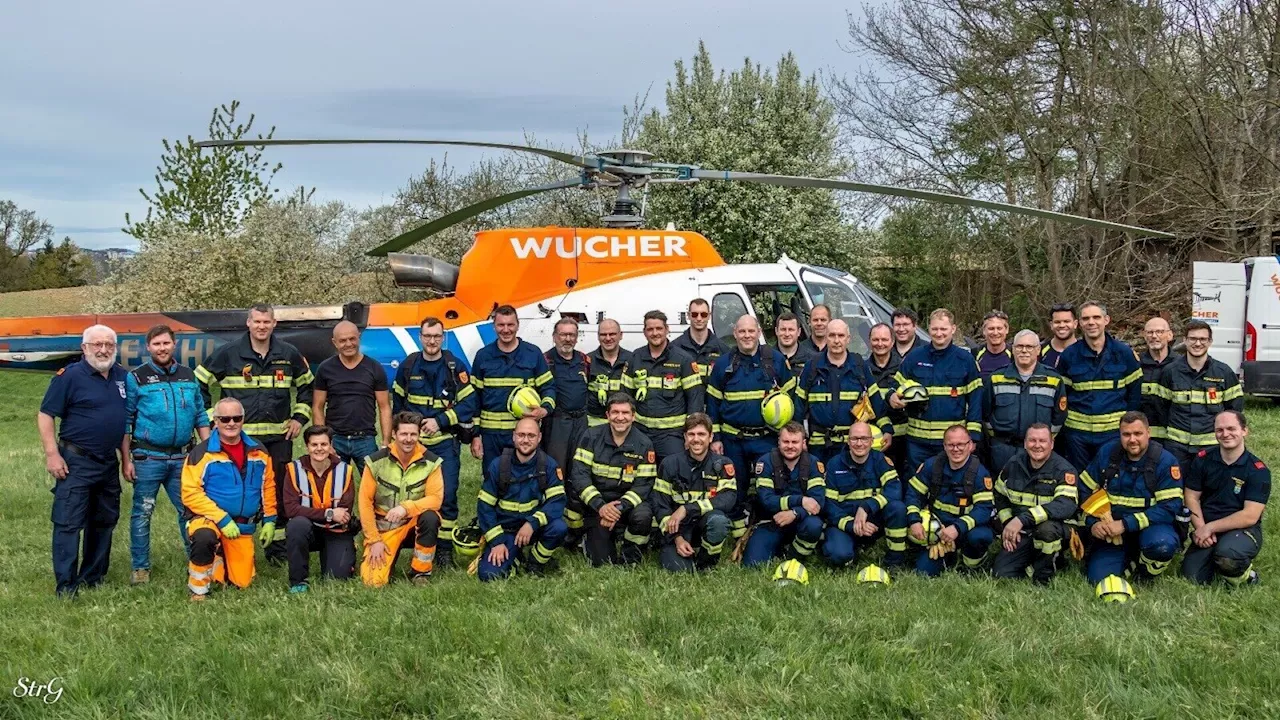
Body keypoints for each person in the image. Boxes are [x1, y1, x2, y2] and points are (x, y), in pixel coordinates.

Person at [195, 303, 314, 563]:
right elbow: (199, 383)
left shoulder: (288, 353)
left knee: (280, 492)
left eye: (266, 322)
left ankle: (277, 549)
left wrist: (299, 417)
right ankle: (229, 544)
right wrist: (211, 419)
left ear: (274, 324)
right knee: (238, 492)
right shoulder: (228, 354)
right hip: (240, 441)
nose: (262, 326)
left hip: (278, 439)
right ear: (248, 323)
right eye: (257, 321)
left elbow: (307, 386)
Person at [37, 324, 128, 597]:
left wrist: (126, 459)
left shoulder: (122, 376)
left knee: (104, 520)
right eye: (97, 344)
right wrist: (52, 454)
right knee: (68, 522)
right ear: (84, 348)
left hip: (108, 462)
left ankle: (93, 577)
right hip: (76, 461)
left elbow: (125, 423)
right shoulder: (69, 376)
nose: (103, 350)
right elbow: (45, 415)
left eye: (109, 345)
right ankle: (66, 584)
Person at [122, 324, 210, 585]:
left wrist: (208, 451)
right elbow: (126, 420)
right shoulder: (136, 377)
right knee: (142, 513)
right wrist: (125, 459)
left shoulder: (188, 375)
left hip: (183, 459)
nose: (162, 348)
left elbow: (199, 413)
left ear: (175, 345)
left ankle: (196, 560)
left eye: (166, 343)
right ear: (148, 347)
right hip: (147, 458)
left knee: (189, 511)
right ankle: (140, 568)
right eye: (156, 344)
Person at [391, 316, 477, 570]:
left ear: (443, 337)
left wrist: (440, 421)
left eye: (437, 336)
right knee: (414, 497)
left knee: (447, 497)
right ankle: (415, 546)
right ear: (420, 337)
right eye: (427, 336)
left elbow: (469, 403)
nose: (432, 341)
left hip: (444, 445)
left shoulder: (454, 366)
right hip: (412, 447)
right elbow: (398, 406)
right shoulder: (408, 366)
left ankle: (445, 552)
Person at [707, 314, 795, 540]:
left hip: (765, 439)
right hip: (732, 439)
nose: (747, 336)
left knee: (770, 485)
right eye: (742, 331)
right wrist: (715, 437)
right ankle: (737, 534)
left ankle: (769, 532)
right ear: (735, 334)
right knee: (736, 486)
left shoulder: (774, 360)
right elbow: (713, 404)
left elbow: (792, 397)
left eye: (751, 331)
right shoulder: (723, 365)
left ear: (758, 333)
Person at [1078, 412, 1184, 597]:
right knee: (1098, 579)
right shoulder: (1107, 454)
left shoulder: (1165, 461)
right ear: (1119, 434)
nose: (1132, 439)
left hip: (1150, 528)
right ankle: (1129, 559)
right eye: (1126, 434)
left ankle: (1145, 573)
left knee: (1161, 546)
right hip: (1112, 533)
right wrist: (1094, 524)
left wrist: (1126, 525)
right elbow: (1083, 491)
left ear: (1148, 433)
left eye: (1138, 434)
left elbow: (1169, 507)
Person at [181, 398, 277, 601]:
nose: (231, 423)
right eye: (224, 419)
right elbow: (190, 493)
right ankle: (198, 590)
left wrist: (269, 520)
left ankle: (220, 559)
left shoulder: (259, 451)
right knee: (204, 537)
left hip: (242, 527)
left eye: (236, 418)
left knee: (242, 583)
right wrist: (222, 519)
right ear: (215, 421)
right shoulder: (201, 453)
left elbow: (267, 487)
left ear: (243, 420)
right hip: (209, 520)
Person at [885, 308, 984, 470]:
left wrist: (972, 436)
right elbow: (894, 387)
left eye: (943, 329)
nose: (939, 334)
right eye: (934, 329)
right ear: (928, 328)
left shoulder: (965, 360)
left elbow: (975, 401)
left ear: (953, 329)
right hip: (917, 443)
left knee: (948, 486)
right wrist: (892, 397)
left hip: (951, 444)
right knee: (917, 485)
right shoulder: (915, 357)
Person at [358, 412, 445, 587]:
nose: (408, 439)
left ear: (419, 435)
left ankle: (421, 572)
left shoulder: (432, 463)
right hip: (385, 528)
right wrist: (374, 540)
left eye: (413, 434)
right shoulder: (376, 462)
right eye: (404, 434)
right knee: (372, 582)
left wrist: (405, 508)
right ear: (394, 434)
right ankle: (374, 550)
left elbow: (436, 499)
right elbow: (365, 503)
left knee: (430, 516)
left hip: (414, 524)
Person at [569, 393, 657, 566]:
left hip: (626, 506)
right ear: (607, 415)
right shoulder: (591, 436)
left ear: (633, 416)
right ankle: (583, 538)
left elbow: (643, 485)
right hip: (597, 505)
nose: (620, 417)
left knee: (644, 515)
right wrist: (600, 506)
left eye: (625, 413)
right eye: (615, 412)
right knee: (602, 562)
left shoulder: (644, 444)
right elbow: (580, 475)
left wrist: (618, 508)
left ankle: (631, 555)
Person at [1182, 410, 1268, 586]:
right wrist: (1201, 528)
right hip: (1207, 528)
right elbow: (1191, 496)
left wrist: (1209, 528)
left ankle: (1248, 576)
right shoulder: (1203, 460)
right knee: (1191, 577)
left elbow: (1250, 515)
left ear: (1244, 431)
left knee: (1228, 558)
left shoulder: (1258, 470)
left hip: (1242, 529)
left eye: (1231, 428)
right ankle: (1216, 562)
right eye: (1219, 430)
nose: (1225, 434)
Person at [476, 417, 568, 581]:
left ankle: (535, 562)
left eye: (531, 436)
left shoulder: (549, 465)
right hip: (506, 531)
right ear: (514, 436)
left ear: (539, 438)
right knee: (489, 575)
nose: (526, 440)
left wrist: (532, 523)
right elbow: (485, 507)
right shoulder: (498, 465)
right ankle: (516, 555)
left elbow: (557, 502)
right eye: (521, 435)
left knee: (559, 527)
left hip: (534, 528)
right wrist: (497, 542)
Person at [1056, 301, 1141, 470]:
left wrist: (1127, 428)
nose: (1091, 322)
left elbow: (1135, 395)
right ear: (1079, 323)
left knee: (1110, 480)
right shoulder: (1069, 356)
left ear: (1106, 320)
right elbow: (1061, 396)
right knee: (1080, 482)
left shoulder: (1124, 354)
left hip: (1113, 435)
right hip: (1077, 437)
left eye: (1096, 317)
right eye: (1086, 318)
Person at [991, 424, 1079, 584]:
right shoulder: (1013, 464)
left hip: (1058, 530)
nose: (1037, 445)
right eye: (1032, 440)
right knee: (1002, 573)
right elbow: (999, 494)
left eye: (1042, 441)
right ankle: (1038, 563)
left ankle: (1044, 575)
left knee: (1046, 531)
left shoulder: (1064, 470)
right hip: (1023, 531)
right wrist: (1008, 523)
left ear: (1051, 444)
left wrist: (1022, 520)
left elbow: (1064, 505)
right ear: (1025, 443)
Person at [794, 319, 890, 463]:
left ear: (848, 339)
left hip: (851, 446)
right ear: (826, 337)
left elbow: (876, 401)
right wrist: (798, 438)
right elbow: (799, 406)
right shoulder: (812, 367)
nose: (837, 340)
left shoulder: (859, 366)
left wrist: (887, 429)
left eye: (841, 336)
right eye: (832, 335)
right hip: (818, 446)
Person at [903, 425, 995, 576]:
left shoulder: (979, 473)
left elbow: (983, 509)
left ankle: (972, 565)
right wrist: (914, 520)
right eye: (951, 445)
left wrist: (957, 528)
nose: (956, 449)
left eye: (961, 444)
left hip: (965, 529)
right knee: (923, 572)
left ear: (970, 445)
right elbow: (913, 494)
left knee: (980, 537)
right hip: (938, 529)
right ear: (944, 446)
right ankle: (948, 555)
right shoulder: (932, 466)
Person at [469, 305, 556, 463]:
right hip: (491, 436)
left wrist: (544, 409)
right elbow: (474, 398)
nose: (506, 329)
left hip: (523, 433)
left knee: (524, 480)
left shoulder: (533, 353)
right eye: (501, 325)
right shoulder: (483, 356)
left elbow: (548, 387)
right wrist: (475, 435)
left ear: (517, 325)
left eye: (510, 324)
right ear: (494, 326)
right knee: (493, 479)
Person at [653, 413, 737, 572]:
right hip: (677, 529)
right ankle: (679, 549)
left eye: (701, 434)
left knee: (719, 521)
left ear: (711, 437)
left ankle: (706, 561)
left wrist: (687, 508)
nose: (696, 439)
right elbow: (659, 506)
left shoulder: (724, 464)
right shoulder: (669, 464)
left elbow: (728, 499)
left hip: (705, 524)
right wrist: (677, 538)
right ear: (685, 437)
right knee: (680, 571)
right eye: (691, 434)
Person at [1155, 320, 1243, 468]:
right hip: (1177, 448)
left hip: (1211, 448)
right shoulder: (1170, 372)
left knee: (1210, 489)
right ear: (1185, 341)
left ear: (1210, 342)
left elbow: (1234, 410)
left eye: (1203, 339)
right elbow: (1161, 408)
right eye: (1193, 339)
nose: (1197, 343)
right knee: (1176, 488)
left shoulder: (1224, 372)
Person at [820, 421, 907, 568]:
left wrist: (867, 507)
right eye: (854, 439)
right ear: (848, 441)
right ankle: (849, 549)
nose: (859, 443)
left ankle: (895, 562)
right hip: (845, 522)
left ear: (872, 441)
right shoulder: (834, 465)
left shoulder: (881, 460)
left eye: (864, 439)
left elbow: (895, 489)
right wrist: (851, 525)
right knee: (839, 556)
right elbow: (829, 505)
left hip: (873, 521)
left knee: (897, 508)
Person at [282, 425, 358, 592]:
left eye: (324, 444)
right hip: (307, 530)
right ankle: (299, 582)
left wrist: (313, 513)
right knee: (296, 525)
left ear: (330, 446)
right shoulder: (293, 470)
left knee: (337, 579)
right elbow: (291, 510)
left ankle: (337, 555)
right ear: (307, 446)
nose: (319, 449)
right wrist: (328, 513)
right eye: (314, 445)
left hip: (336, 531)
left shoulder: (345, 470)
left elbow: (344, 513)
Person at [741, 422, 826, 567]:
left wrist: (794, 513)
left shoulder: (813, 464)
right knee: (752, 565)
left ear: (803, 443)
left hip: (801, 520)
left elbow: (818, 502)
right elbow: (766, 500)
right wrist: (800, 500)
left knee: (814, 526)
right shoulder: (765, 463)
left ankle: (794, 556)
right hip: (771, 521)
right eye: (786, 441)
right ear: (778, 442)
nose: (790, 446)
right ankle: (777, 548)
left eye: (795, 442)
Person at [982, 329, 1067, 474]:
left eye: (1029, 347)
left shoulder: (1053, 380)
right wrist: (997, 439)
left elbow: (1059, 418)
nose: (1024, 351)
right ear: (1013, 350)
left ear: (1038, 350)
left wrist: (1044, 442)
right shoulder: (996, 378)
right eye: (1019, 347)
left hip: (1038, 451)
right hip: (1003, 450)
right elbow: (985, 414)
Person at [312, 321, 391, 471]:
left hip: (365, 439)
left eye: (352, 339)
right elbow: (317, 406)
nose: (348, 344)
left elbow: (385, 407)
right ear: (334, 343)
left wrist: (386, 442)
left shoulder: (374, 368)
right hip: (335, 439)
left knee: (375, 487)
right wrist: (323, 441)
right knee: (335, 488)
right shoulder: (325, 368)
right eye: (342, 341)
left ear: (359, 338)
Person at [627, 310, 704, 466]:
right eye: (650, 329)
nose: (655, 333)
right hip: (641, 433)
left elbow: (695, 400)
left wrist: (690, 435)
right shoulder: (635, 358)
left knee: (675, 474)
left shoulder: (683, 359)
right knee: (639, 476)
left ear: (667, 330)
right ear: (644, 332)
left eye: (659, 329)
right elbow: (625, 396)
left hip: (672, 436)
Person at [542, 317, 591, 474]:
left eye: (572, 335)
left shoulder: (585, 360)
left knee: (579, 466)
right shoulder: (545, 361)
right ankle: (556, 498)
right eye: (563, 335)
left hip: (581, 423)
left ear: (577, 337)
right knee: (556, 467)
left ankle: (576, 498)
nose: (567, 339)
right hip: (556, 423)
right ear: (554, 336)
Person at [868, 322, 909, 469]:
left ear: (892, 342)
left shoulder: (905, 368)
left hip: (904, 441)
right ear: (869, 342)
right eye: (875, 340)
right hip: (876, 440)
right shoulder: (862, 370)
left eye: (884, 340)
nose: (880, 344)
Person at [586, 318, 632, 428]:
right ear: (598, 336)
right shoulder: (587, 361)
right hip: (594, 427)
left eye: (612, 334)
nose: (608, 338)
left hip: (624, 425)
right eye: (603, 334)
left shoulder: (632, 360)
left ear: (621, 335)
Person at [1139, 316, 1177, 439]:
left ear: (1170, 335)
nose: (1154, 336)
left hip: (1174, 436)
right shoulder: (1136, 364)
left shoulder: (1181, 365)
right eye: (1150, 332)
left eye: (1160, 332)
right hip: (1143, 436)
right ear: (1144, 336)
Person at [672, 298, 727, 379]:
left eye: (703, 314)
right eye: (694, 314)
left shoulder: (723, 349)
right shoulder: (674, 348)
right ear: (688, 316)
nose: (699, 318)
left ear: (709, 316)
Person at [972, 310, 1013, 379]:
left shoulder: (1014, 355)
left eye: (999, 328)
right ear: (984, 331)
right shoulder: (975, 354)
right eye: (991, 329)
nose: (995, 333)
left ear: (1007, 330)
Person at [774, 312, 816, 377]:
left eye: (791, 330)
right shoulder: (765, 359)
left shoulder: (813, 360)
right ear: (776, 331)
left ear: (799, 332)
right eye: (783, 329)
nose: (787, 334)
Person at [1040, 303, 1078, 370]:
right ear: (1051, 325)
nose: (1062, 325)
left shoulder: (1086, 351)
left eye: (1066, 321)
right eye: (1057, 322)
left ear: (1075, 324)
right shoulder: (1039, 351)